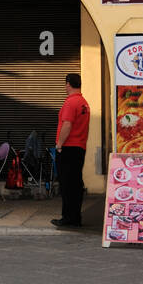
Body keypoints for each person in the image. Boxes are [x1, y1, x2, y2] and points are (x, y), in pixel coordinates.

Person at [51, 72, 90, 230]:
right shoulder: (84, 103)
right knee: (76, 184)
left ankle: (67, 217)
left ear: (68, 84)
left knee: (67, 184)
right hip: (80, 148)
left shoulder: (70, 103)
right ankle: (75, 217)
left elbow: (67, 124)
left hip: (68, 148)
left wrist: (59, 144)